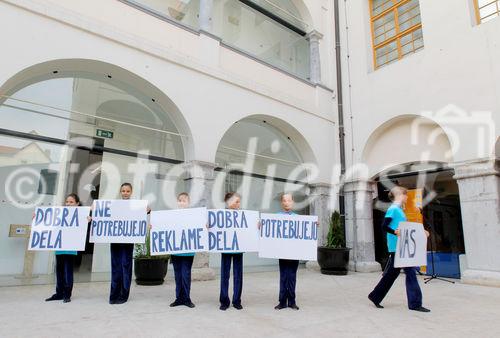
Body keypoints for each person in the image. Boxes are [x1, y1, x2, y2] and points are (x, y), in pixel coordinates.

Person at [368, 186, 431, 312]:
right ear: (399, 196)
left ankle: (375, 296)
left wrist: (421, 231)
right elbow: (384, 226)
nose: (407, 197)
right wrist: (394, 232)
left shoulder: (399, 210)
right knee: (410, 272)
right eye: (405, 194)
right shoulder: (393, 209)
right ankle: (415, 303)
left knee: (392, 274)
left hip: (401, 246)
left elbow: (404, 227)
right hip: (397, 247)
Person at [109, 182, 146, 305]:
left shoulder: (134, 205)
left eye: (127, 191)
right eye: (123, 191)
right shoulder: (113, 205)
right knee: (115, 267)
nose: (125, 193)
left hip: (127, 241)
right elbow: (105, 217)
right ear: (120, 192)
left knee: (126, 267)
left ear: (131, 192)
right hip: (115, 240)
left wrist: (147, 210)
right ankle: (113, 294)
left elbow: (140, 215)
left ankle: (123, 295)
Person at [45, 193, 81, 303]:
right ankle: (59, 293)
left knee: (67, 271)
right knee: (59, 271)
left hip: (70, 248)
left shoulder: (80, 215)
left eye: (71, 202)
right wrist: (38, 218)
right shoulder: (60, 214)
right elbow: (50, 223)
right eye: (67, 202)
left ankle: (67, 294)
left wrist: (88, 220)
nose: (68, 204)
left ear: (77, 204)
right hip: (59, 247)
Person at [169, 192, 196, 308]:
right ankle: (178, 298)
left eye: (184, 200)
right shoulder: (172, 215)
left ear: (188, 203)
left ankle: (187, 298)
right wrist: (154, 226)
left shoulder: (194, 215)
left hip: (188, 251)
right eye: (180, 200)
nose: (181, 202)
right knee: (178, 275)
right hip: (175, 251)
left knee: (186, 274)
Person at [219, 192, 245, 311]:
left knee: (238, 276)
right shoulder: (220, 215)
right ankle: (224, 301)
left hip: (238, 249)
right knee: (225, 276)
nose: (238, 204)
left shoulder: (243, 216)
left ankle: (237, 300)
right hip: (225, 249)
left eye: (239, 201)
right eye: (236, 201)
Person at [275, 192, 300, 311]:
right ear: (281, 203)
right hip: (282, 252)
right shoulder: (277, 216)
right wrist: (261, 224)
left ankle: (292, 301)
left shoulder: (298, 218)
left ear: (293, 202)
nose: (286, 203)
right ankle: (282, 301)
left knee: (292, 276)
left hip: (294, 252)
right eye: (284, 200)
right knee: (284, 276)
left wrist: (314, 224)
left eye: (289, 200)